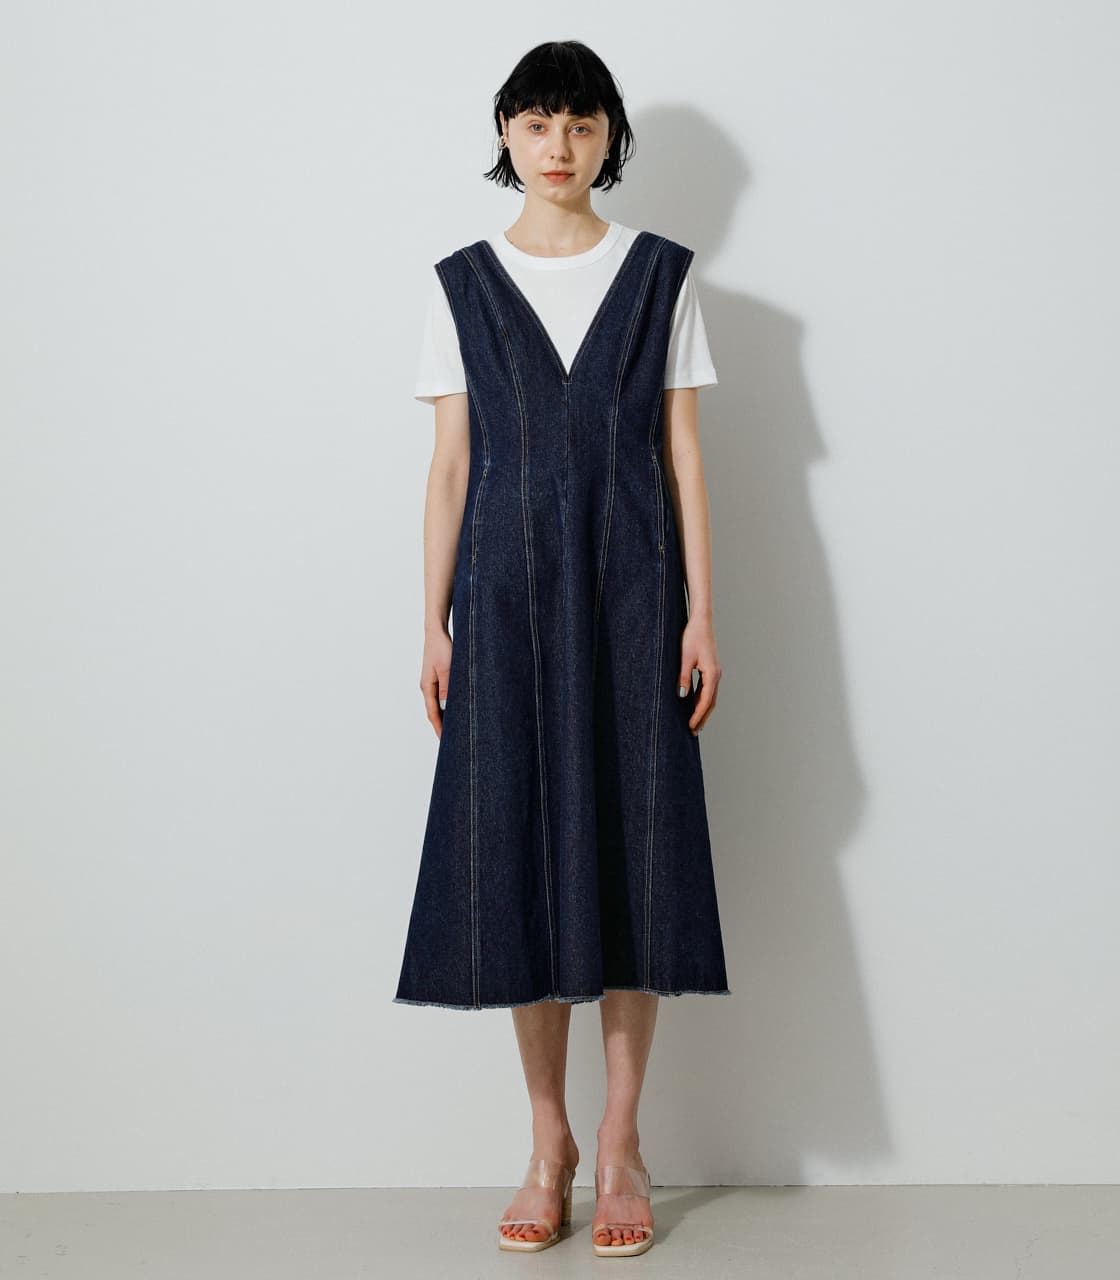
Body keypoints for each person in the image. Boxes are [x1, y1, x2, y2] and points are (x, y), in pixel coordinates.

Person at [394, 40, 731, 1257]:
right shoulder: (460, 285)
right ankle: (550, 1141)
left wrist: (702, 611)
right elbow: (450, 468)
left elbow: (683, 453)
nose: (558, 144)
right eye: (537, 122)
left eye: (581, 123)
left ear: (607, 139)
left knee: (635, 851)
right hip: (502, 607)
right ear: (506, 132)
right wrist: (431, 620)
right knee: (516, 852)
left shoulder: (661, 277)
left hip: (636, 596)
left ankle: (623, 1137)